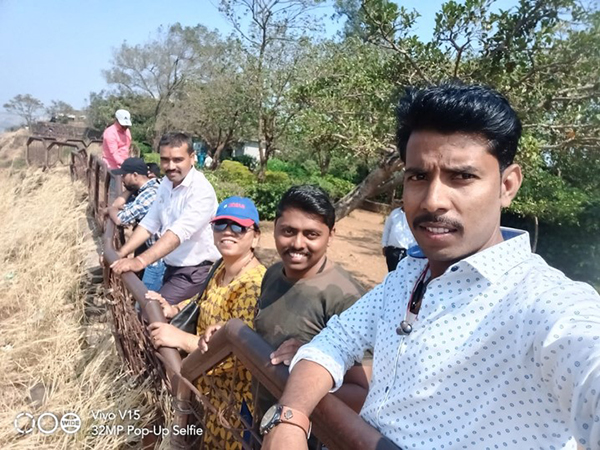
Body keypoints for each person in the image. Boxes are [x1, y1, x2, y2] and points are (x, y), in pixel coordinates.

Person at [261, 83, 600, 450]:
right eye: (418, 176)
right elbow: (335, 340)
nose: (433, 200)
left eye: (462, 176)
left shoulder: (543, 304)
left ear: (507, 185)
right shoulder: (408, 276)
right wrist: (290, 417)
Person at [147, 196, 266, 450]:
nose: (227, 232)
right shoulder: (221, 267)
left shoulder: (252, 285)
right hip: (209, 393)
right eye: (220, 225)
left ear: (255, 237)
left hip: (235, 404)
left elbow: (239, 353)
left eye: (238, 227)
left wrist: (182, 339)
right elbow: (203, 299)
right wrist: (175, 308)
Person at [111, 133, 220, 304]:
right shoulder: (166, 184)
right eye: (165, 160)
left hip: (194, 272)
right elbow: (150, 223)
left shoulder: (200, 191)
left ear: (192, 158)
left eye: (178, 160)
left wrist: (139, 261)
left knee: (152, 313)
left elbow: (177, 233)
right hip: (170, 266)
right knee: (149, 308)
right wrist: (120, 253)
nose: (170, 166)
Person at [100, 157, 164, 290]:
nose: (122, 179)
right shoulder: (147, 189)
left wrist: (110, 210)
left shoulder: (149, 194)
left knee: (145, 298)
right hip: (154, 253)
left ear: (135, 175)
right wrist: (130, 189)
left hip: (158, 260)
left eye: (124, 175)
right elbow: (119, 206)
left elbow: (121, 218)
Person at [381, 203, 416, 272]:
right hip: (392, 250)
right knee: (391, 272)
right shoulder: (395, 213)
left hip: (406, 252)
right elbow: (387, 229)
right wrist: (384, 245)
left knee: (402, 273)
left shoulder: (414, 215)